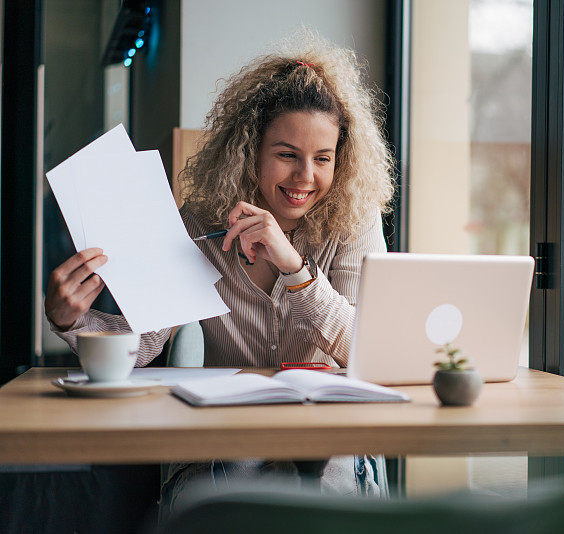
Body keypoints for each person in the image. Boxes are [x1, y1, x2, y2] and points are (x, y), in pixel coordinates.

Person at [43, 34, 394, 513]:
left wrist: (292, 266)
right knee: (227, 487)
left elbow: (370, 349)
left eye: (323, 158)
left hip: (327, 432)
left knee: (325, 485)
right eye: (287, 154)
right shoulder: (201, 224)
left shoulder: (354, 223)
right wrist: (70, 320)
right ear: (251, 149)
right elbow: (142, 347)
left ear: (342, 160)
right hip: (230, 429)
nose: (304, 177)